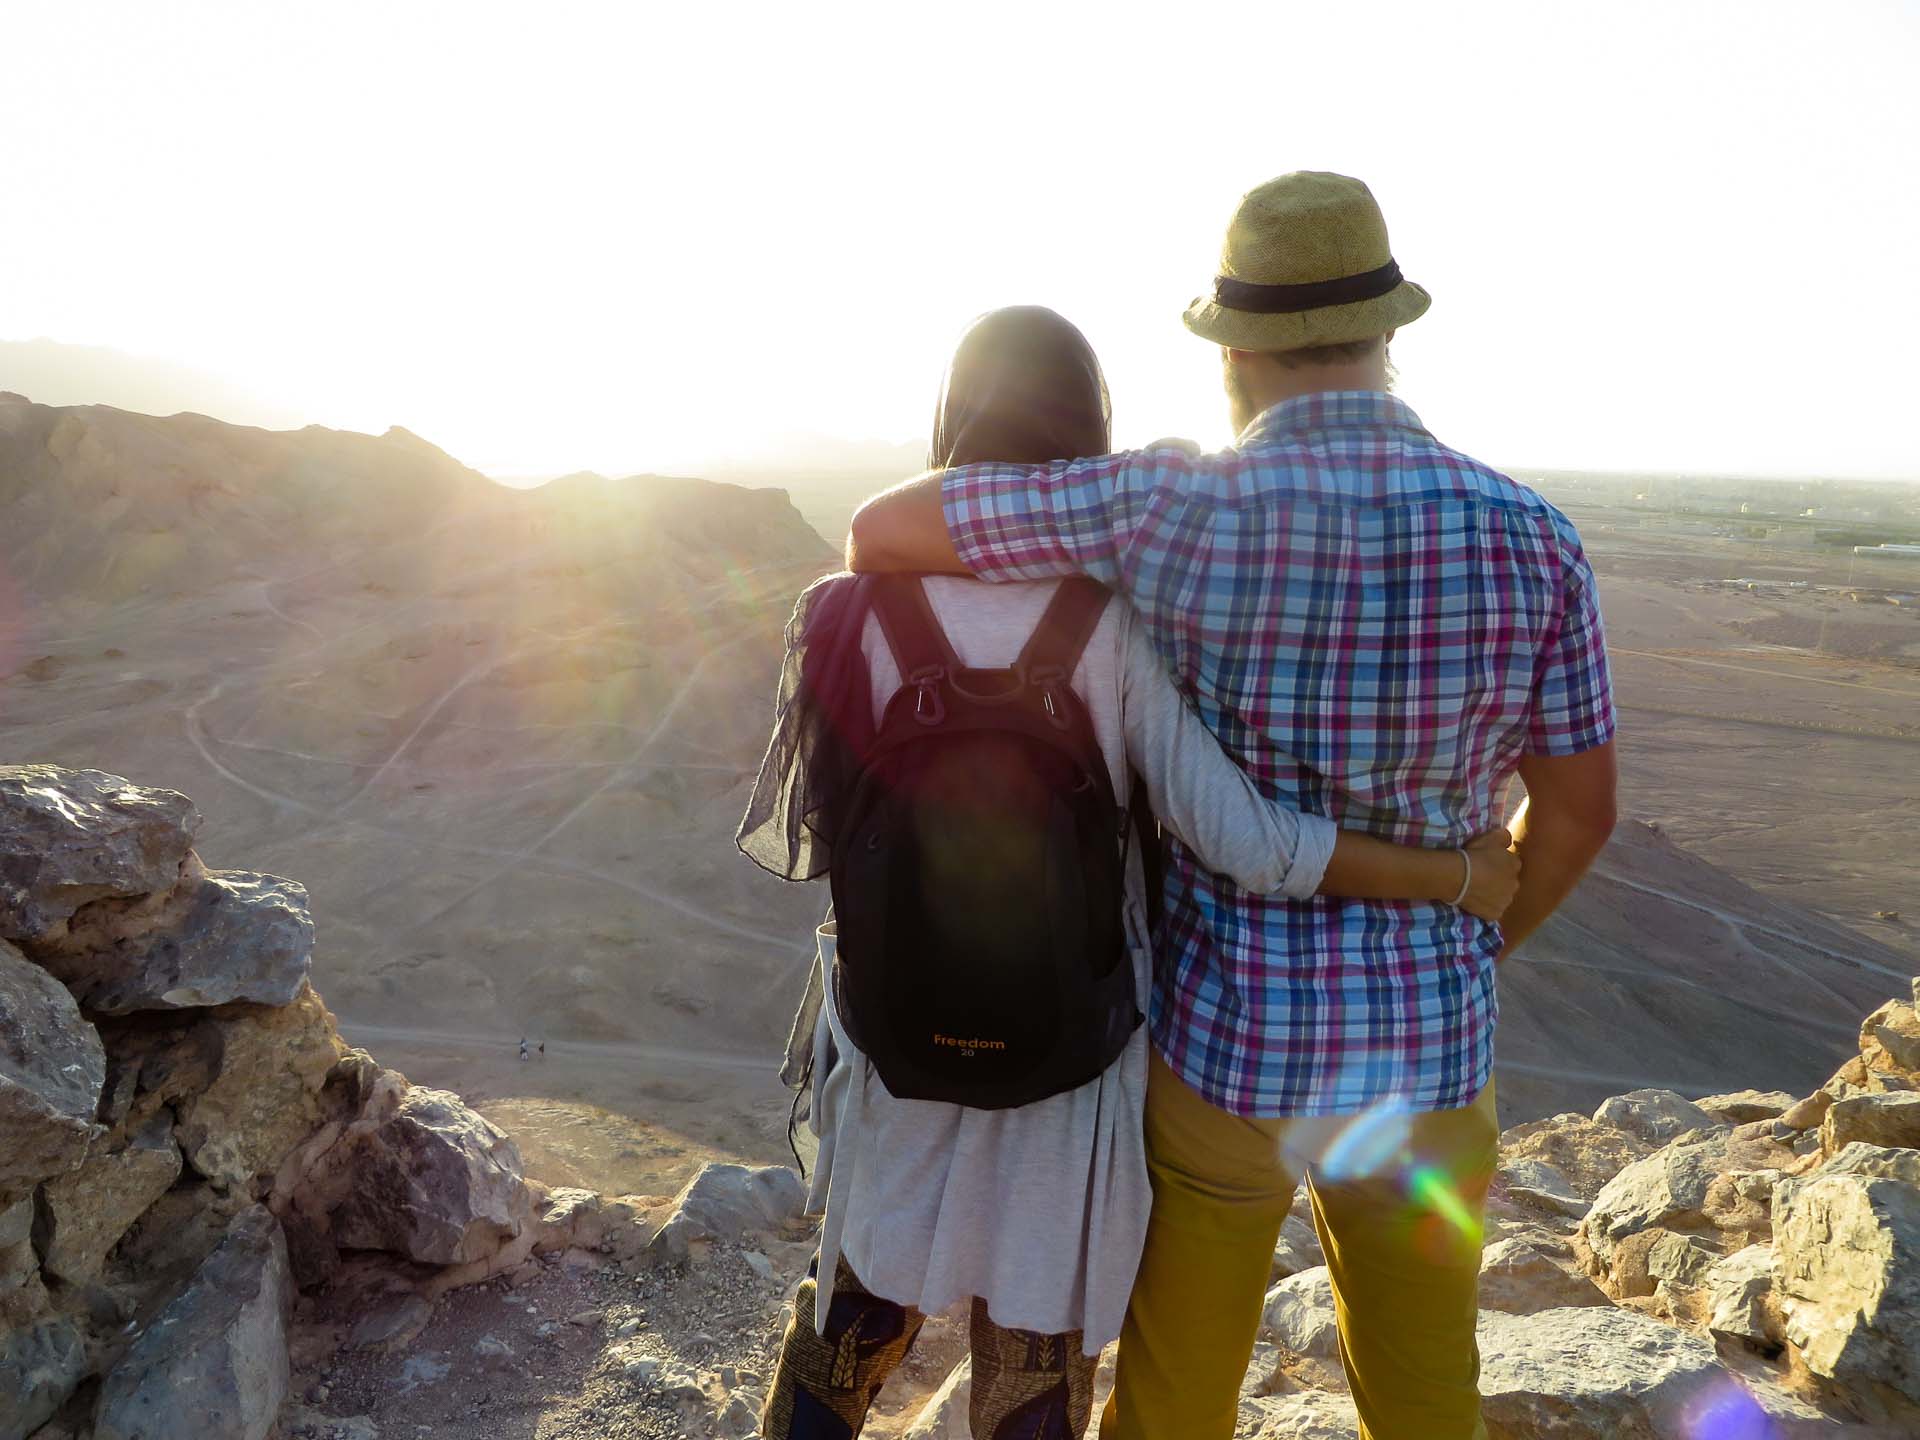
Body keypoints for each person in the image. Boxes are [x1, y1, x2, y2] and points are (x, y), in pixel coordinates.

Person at [845, 175, 1618, 1440]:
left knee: (1174, 1401)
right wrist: (1471, 941)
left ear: (1234, 351)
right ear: (1384, 334)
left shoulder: (1172, 507)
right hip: (1430, 1057)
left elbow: (884, 532)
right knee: (1427, 1398)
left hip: (1224, 1052)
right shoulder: (1532, 536)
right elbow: (1580, 811)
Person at [739, 305, 1522, 1440]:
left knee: (848, 1320)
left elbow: (826, 834)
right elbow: (1245, 842)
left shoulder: (837, 612)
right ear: (1086, 433)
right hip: (1069, 1063)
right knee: (1033, 1367)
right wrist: (1449, 876)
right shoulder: (1111, 628)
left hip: (891, 1048)